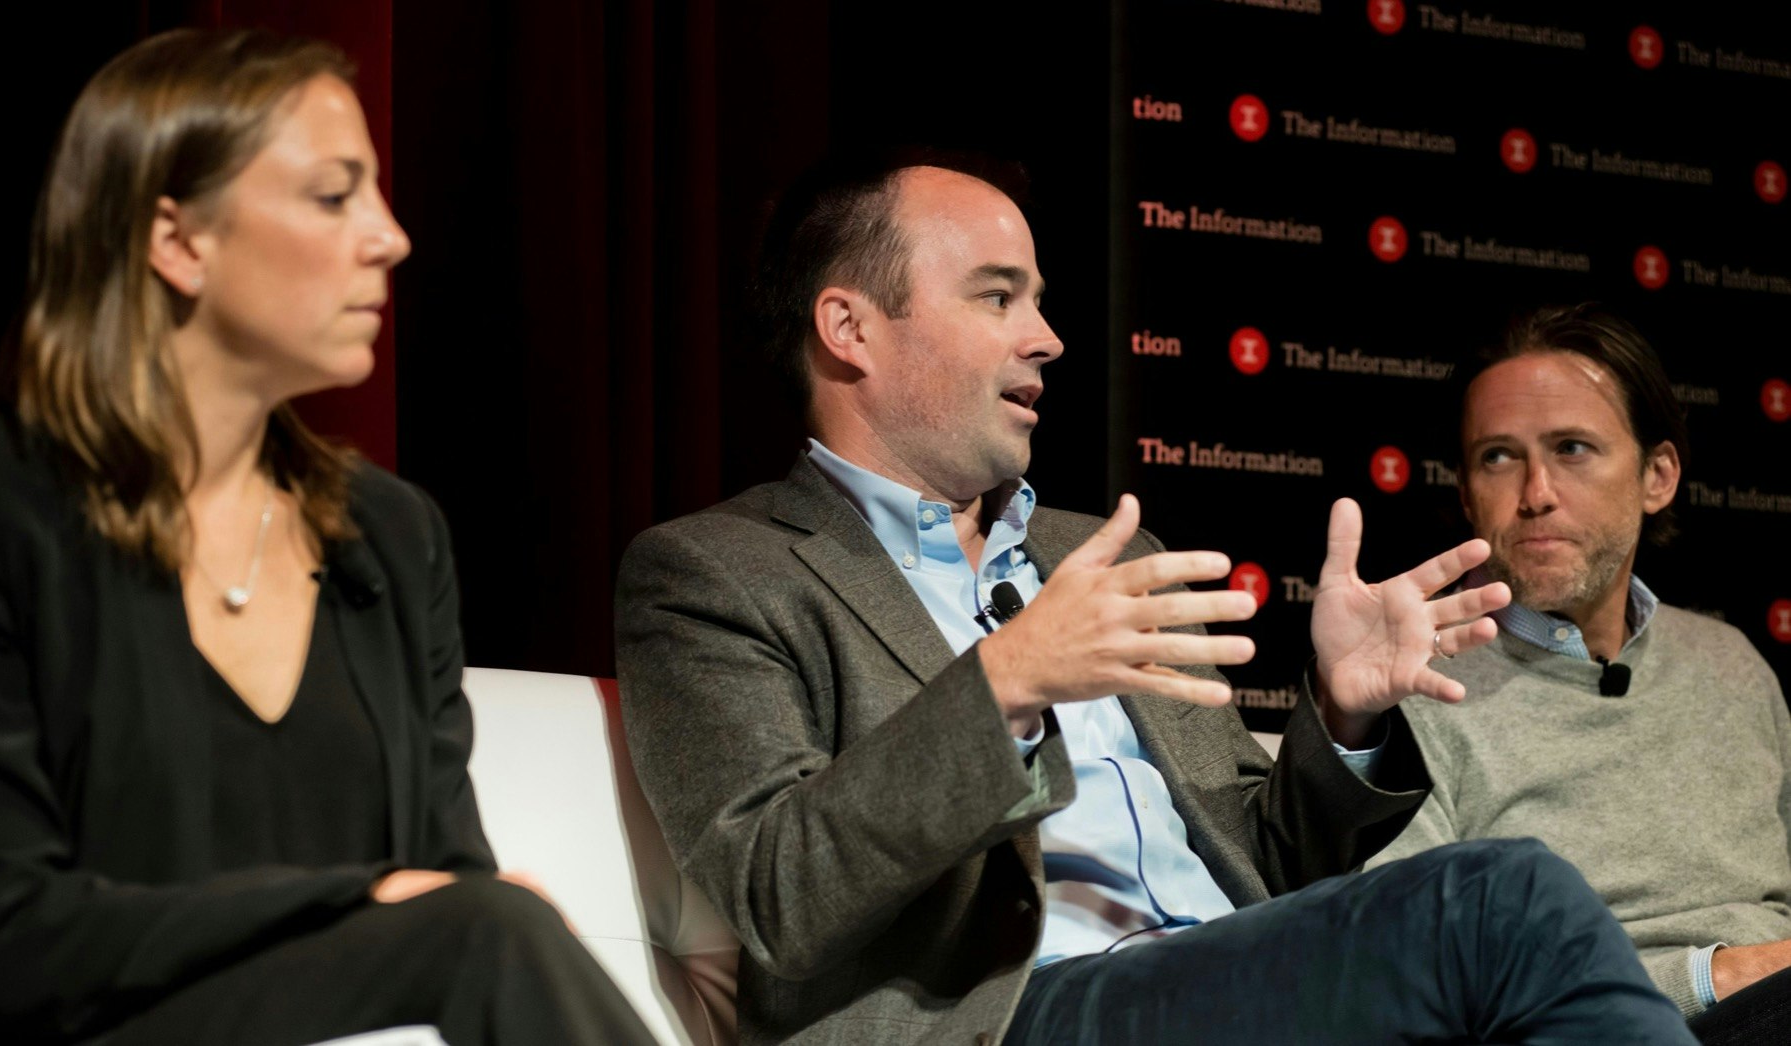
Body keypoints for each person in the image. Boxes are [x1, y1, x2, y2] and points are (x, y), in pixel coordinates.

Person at [615, 153, 1696, 1043]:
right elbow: (775, 890)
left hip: (1216, 982)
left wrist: (1344, 715)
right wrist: (1004, 682)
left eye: (1040, 299)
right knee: (1501, 899)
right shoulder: (718, 573)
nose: (1048, 338)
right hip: (1013, 1015)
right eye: (999, 296)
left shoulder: (1094, 551)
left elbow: (1265, 863)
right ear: (849, 328)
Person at [0, 29, 653, 1046]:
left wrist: (422, 911)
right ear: (178, 241)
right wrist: (365, 901)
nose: (391, 236)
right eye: (333, 195)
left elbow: (449, 879)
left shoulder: (392, 537)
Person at [1367, 305, 1791, 1041]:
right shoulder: (1416, 688)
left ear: (1657, 476)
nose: (1535, 493)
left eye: (1571, 448)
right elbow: (1422, 986)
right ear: (1466, 494)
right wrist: (1712, 978)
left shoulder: (1732, 666)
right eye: (1498, 457)